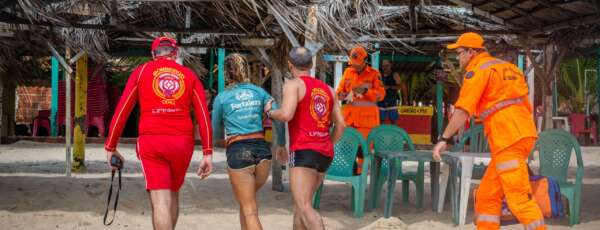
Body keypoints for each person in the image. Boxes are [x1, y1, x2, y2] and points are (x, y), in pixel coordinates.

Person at [432, 32, 545, 230]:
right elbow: (523, 104)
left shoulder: (477, 70)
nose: (457, 57)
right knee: (486, 196)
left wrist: (444, 138)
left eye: (459, 53)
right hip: (522, 134)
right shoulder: (509, 68)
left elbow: (462, 111)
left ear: (471, 52)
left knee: (519, 198)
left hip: (507, 138)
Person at [104, 36, 213, 230]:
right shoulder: (189, 75)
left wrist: (111, 146)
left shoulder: (142, 71)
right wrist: (207, 153)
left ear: (153, 54)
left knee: (160, 201)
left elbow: (122, 110)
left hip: (152, 141)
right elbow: (203, 115)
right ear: (176, 53)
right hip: (182, 143)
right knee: (173, 195)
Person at [266, 47, 345, 230]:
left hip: (303, 151)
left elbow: (286, 114)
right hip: (324, 154)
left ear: (289, 64)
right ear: (311, 65)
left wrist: (270, 112)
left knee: (304, 206)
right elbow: (341, 125)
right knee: (301, 205)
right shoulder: (329, 90)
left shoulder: (293, 85)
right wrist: (328, 144)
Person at [211, 53, 286, 230]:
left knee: (250, 209)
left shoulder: (222, 98)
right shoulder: (260, 92)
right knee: (247, 204)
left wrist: (224, 140)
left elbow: (216, 132)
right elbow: (278, 119)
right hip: (263, 153)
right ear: (246, 69)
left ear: (226, 73)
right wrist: (281, 144)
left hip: (239, 152)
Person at [336, 45, 385, 138]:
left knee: (364, 150)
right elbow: (339, 92)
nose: (355, 66)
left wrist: (366, 91)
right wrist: (340, 95)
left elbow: (381, 95)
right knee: (347, 150)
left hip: (367, 122)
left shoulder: (374, 74)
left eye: (357, 63)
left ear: (365, 61)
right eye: (353, 63)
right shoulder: (347, 72)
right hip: (348, 120)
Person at [377, 59, 404, 124]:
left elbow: (400, 87)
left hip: (391, 102)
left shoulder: (394, 75)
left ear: (390, 66)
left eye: (387, 66)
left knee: (393, 122)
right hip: (380, 102)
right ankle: (381, 134)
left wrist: (389, 87)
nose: (385, 68)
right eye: (383, 66)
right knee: (381, 122)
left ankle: (394, 134)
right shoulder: (379, 75)